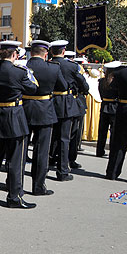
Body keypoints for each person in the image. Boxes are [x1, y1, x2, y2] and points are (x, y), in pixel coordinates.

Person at [0, 40, 37, 209]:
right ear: (14, 54)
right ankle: (14, 196)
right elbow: (32, 89)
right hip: (14, 117)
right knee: (15, 159)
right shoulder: (19, 72)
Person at [23, 40, 67, 196]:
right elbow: (63, 86)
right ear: (46, 53)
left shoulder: (23, 67)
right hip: (45, 111)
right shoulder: (53, 68)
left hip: (25, 109)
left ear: (31, 52)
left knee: (20, 150)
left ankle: (14, 184)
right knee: (41, 151)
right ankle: (38, 186)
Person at [48, 41, 88, 181]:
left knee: (50, 136)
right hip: (65, 103)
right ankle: (62, 170)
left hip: (49, 101)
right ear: (63, 51)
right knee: (64, 138)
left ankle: (47, 163)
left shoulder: (48, 64)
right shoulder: (71, 66)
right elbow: (83, 84)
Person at [106, 63, 127, 179]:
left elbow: (112, 89)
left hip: (123, 108)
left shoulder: (120, 72)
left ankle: (112, 172)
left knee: (118, 142)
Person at [97, 61, 121, 157]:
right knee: (113, 132)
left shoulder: (102, 81)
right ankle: (112, 151)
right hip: (114, 107)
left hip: (104, 106)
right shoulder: (117, 82)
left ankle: (99, 151)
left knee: (102, 130)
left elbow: (100, 94)